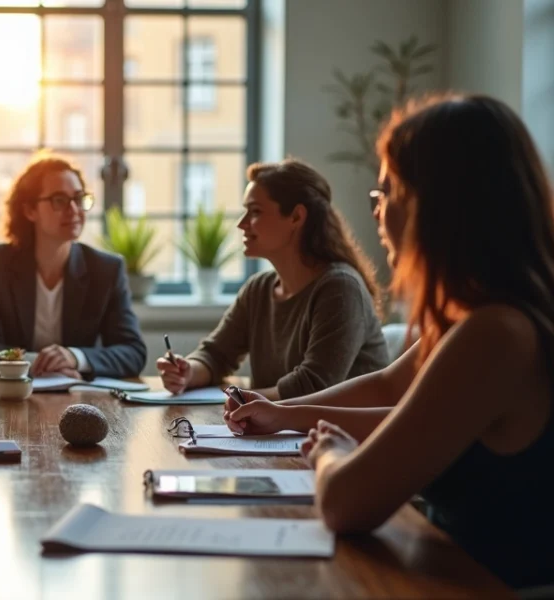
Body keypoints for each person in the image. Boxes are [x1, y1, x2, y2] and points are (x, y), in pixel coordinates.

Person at [223, 95, 554, 589]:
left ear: (438, 202)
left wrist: (329, 452)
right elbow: (390, 393)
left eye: (388, 193)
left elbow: (343, 503)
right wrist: (284, 414)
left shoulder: (496, 335)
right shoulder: (480, 318)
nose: (376, 214)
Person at [156, 159, 388, 400]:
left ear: (296, 217)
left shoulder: (340, 288)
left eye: (255, 212)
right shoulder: (259, 289)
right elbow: (216, 355)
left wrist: (243, 400)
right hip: (284, 433)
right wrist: (187, 372)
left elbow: (313, 386)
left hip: (348, 436)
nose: (242, 224)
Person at [0, 152, 146, 379]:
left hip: (80, 402)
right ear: (30, 210)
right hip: (13, 399)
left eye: (79, 198)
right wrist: (39, 363)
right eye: (59, 200)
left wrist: (75, 358)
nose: (74, 210)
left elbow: (133, 352)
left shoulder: (106, 269)